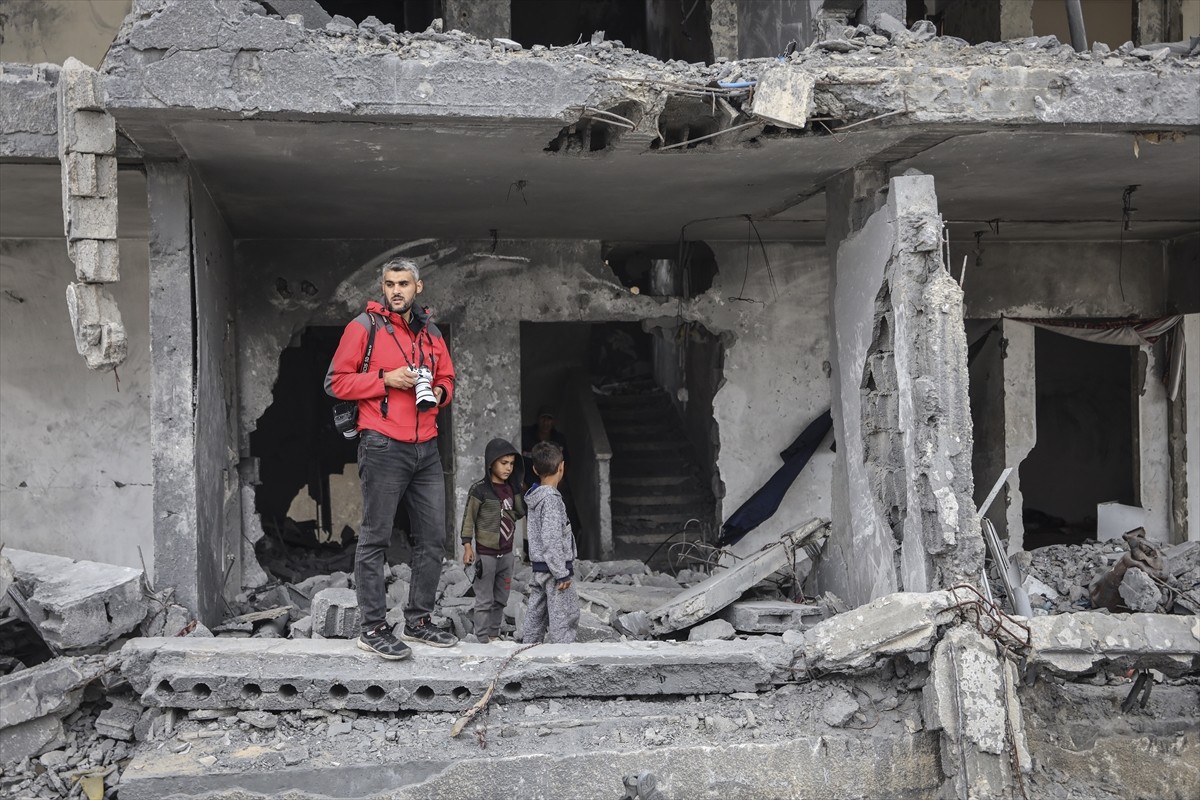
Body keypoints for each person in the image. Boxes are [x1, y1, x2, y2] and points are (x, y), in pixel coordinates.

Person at [327, 257, 457, 660]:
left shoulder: (432, 332)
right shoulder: (363, 327)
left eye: (403, 283)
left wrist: (440, 393)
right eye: (389, 284)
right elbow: (335, 382)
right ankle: (372, 628)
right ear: (382, 287)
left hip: (427, 448)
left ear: (418, 287)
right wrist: (385, 379)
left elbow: (447, 377)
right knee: (375, 537)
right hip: (382, 445)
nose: (396, 290)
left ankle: (418, 621)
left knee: (433, 539)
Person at [460, 438, 526, 643]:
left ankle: (493, 634)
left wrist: (518, 495)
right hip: (486, 555)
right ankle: (481, 639)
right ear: (491, 463)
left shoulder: (512, 489)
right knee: (484, 599)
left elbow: (520, 512)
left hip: (507, 554)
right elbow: (468, 519)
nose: (508, 468)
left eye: (512, 464)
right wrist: (467, 546)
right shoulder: (479, 489)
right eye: (503, 463)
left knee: (501, 598)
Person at [521, 441, 579, 644]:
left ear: (535, 469)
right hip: (554, 570)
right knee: (564, 615)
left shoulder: (535, 497)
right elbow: (552, 538)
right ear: (561, 467)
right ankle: (563, 654)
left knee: (536, 614)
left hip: (540, 567)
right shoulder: (551, 500)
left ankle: (529, 647)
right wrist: (561, 572)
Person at [521, 408, 568, 488]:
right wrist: (521, 481)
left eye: (549, 418)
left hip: (553, 482)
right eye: (543, 418)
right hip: (529, 482)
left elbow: (566, 460)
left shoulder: (559, 439)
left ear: (554, 421)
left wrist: (560, 478)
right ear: (537, 419)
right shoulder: (526, 436)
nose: (546, 422)